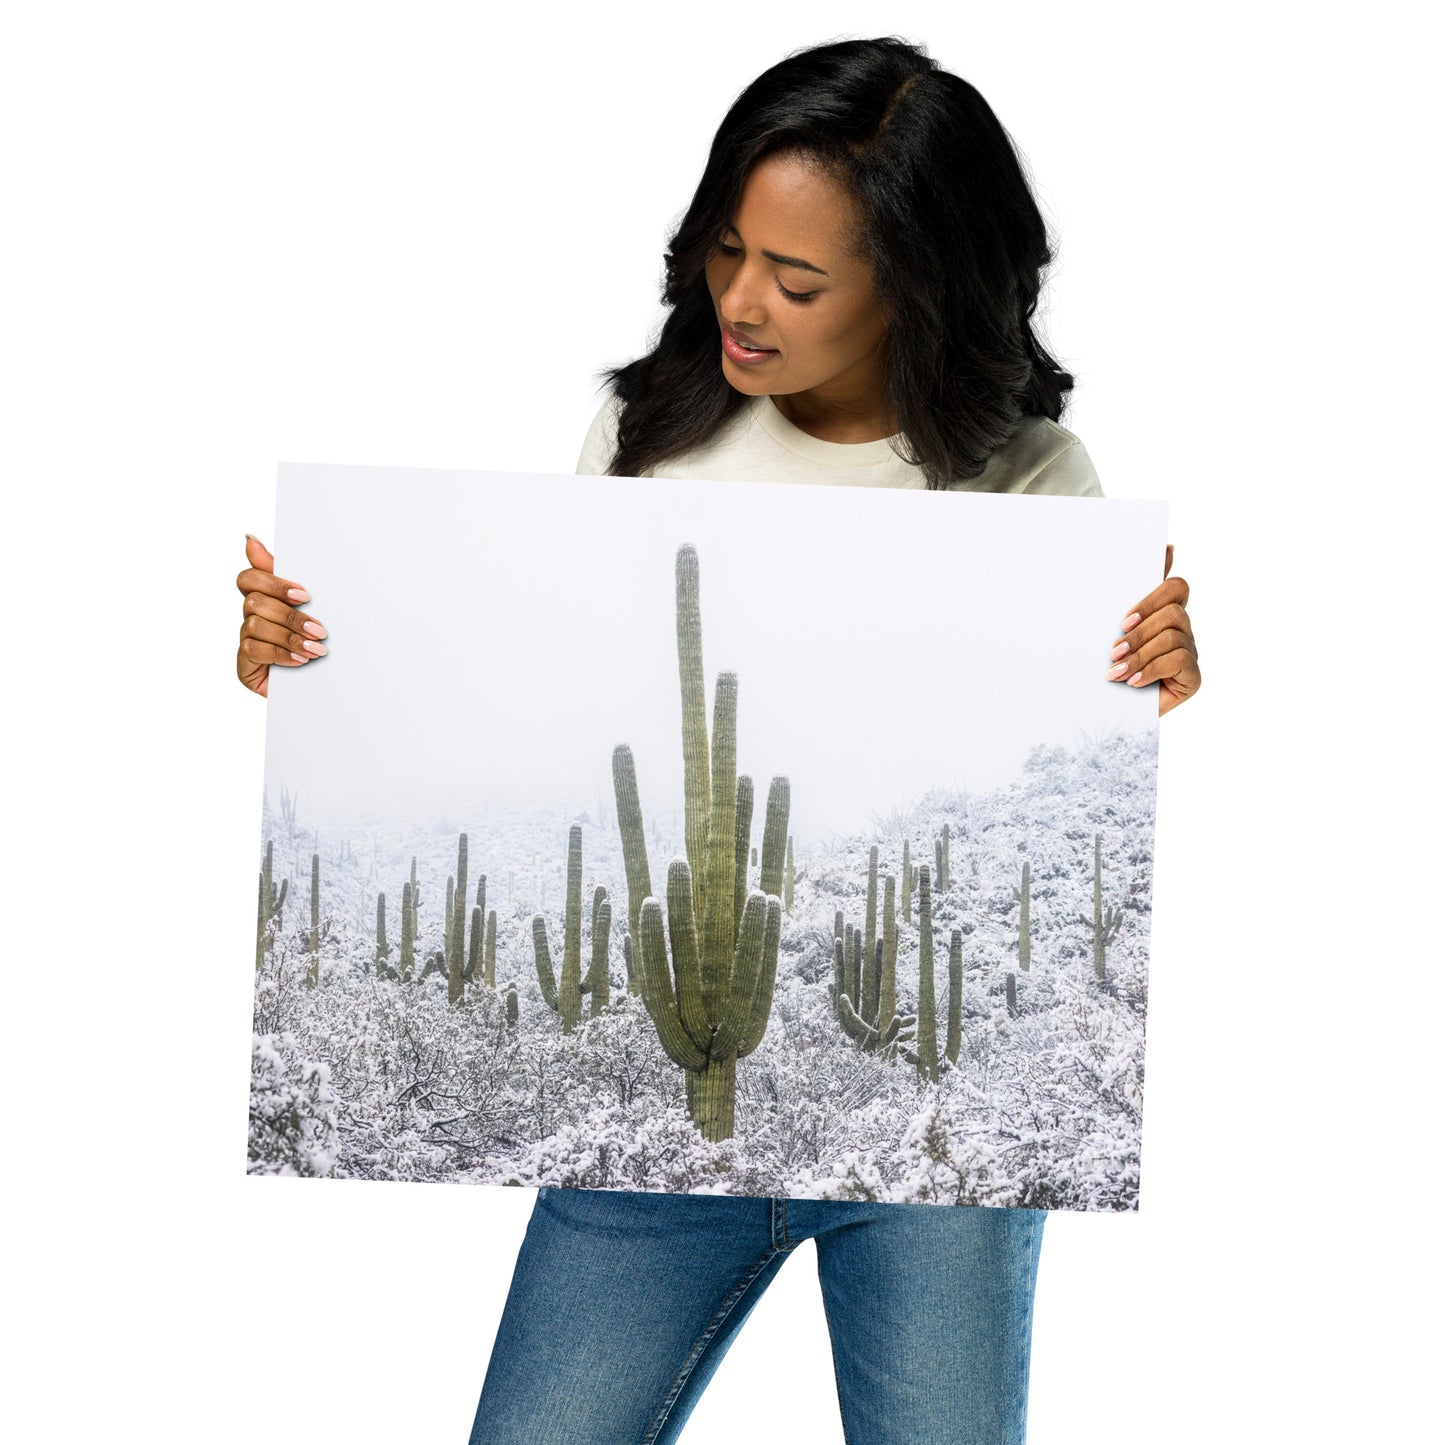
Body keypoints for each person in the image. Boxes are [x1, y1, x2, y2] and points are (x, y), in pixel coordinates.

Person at [236, 36, 1199, 1444]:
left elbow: (1066, 762)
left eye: (797, 279)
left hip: (934, 1133)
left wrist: (1159, 671)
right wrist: (319, 659)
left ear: (915, 288)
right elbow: (544, 709)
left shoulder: (1038, 481)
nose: (742, 302)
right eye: (724, 251)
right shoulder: (643, 435)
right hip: (652, 1111)